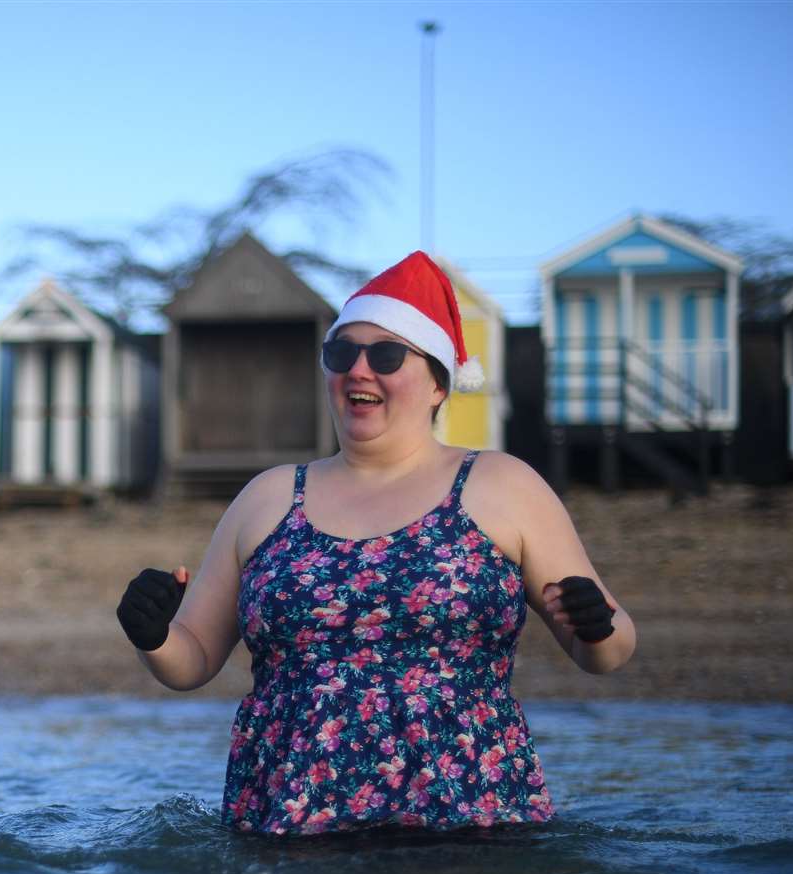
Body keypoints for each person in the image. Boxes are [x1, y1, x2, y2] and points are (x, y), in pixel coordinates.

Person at [116, 252, 635, 835]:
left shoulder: (502, 485)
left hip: (466, 825)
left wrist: (597, 626)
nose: (358, 370)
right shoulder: (266, 499)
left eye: (386, 355)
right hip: (289, 823)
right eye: (341, 353)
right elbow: (192, 661)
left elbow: (610, 652)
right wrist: (153, 635)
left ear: (438, 383)